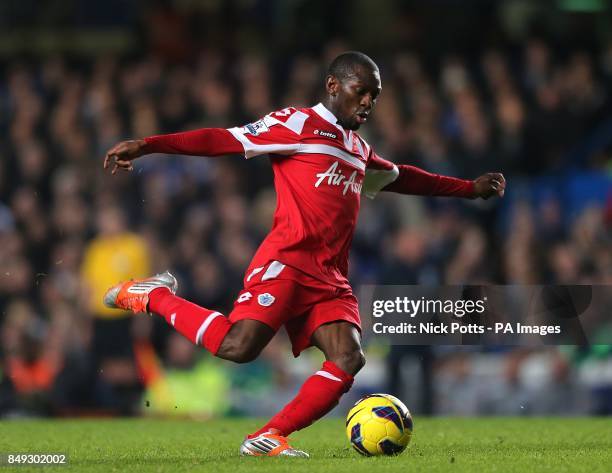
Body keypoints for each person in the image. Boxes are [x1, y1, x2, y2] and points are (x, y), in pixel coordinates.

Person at [102, 51, 506, 457]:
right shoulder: (296, 123)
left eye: (375, 96)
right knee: (238, 348)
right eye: (360, 91)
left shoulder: (358, 148)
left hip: (330, 276)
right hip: (288, 262)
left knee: (348, 356)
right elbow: (223, 139)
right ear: (333, 86)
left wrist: (468, 189)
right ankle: (153, 295)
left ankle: (270, 436)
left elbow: (404, 177)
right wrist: (149, 145)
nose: (368, 102)